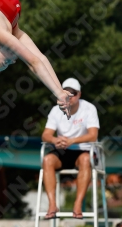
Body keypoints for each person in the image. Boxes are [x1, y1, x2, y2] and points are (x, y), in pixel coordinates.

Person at [41, 78, 100, 220]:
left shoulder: (89, 108)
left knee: (86, 159)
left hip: (84, 151)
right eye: (65, 93)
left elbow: (93, 135)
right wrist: (55, 140)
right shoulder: (56, 110)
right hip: (63, 151)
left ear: (79, 94)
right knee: (47, 159)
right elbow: (45, 135)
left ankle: (77, 204)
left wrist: (72, 140)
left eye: (72, 93)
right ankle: (52, 205)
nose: (69, 96)